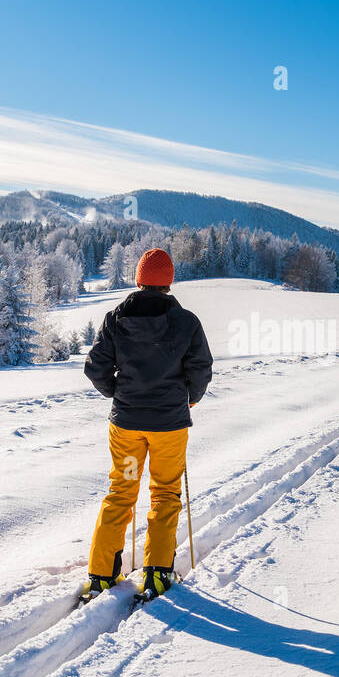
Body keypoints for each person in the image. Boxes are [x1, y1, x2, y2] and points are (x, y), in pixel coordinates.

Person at [80, 248, 213, 603]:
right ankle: (157, 574)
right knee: (165, 494)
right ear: (168, 282)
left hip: (126, 426)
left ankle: (101, 575)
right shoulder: (187, 322)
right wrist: (191, 399)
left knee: (120, 492)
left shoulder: (115, 319)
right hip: (169, 426)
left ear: (139, 279)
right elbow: (200, 370)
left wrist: (119, 393)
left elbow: (95, 369)